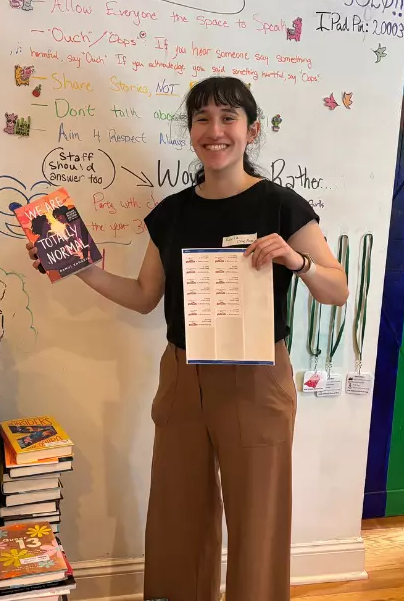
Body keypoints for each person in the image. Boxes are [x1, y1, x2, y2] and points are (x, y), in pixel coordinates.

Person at [25, 76, 348, 600]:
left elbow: (337, 289)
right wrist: (78, 267)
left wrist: (297, 259)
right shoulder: (172, 213)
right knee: (178, 516)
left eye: (228, 118)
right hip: (183, 374)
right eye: (202, 119)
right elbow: (144, 295)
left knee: (257, 519)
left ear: (251, 130)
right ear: (191, 131)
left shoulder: (282, 207)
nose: (214, 130)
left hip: (258, 378)